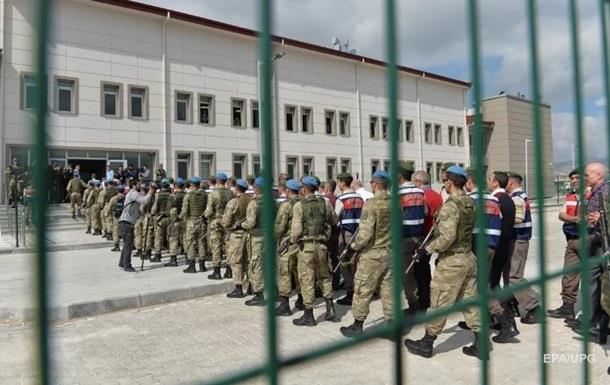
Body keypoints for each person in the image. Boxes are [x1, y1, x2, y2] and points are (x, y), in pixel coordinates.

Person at [405, 166, 487, 359]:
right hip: (468, 257)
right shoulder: (470, 202)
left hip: (452, 262)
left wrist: (427, 249)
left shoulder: (451, 206)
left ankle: (427, 343)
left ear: (449, 182)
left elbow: (447, 237)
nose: (444, 185)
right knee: (471, 301)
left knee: (439, 302)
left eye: (444, 181)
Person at [464, 168, 519, 343]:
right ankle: (483, 319)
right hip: (491, 246)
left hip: (477, 246)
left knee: (481, 287)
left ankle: (506, 323)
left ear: (470, 183)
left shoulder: (471, 200)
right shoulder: (494, 200)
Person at [339, 170, 393, 336]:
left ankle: (357, 324)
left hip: (373, 254)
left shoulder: (371, 204)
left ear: (375, 184)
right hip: (391, 252)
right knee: (389, 289)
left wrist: (353, 248)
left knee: (363, 289)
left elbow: (365, 234)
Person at [290, 176, 338, 326]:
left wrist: (293, 240)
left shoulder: (299, 206)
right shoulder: (325, 203)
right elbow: (334, 221)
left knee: (307, 279)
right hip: (322, 246)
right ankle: (330, 308)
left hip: (307, 247)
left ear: (304, 189)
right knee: (324, 277)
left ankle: (309, 315)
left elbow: (296, 231)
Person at [506, 172, 540, 324]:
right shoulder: (518, 196)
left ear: (511, 182)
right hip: (516, 239)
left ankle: (533, 307)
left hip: (518, 239)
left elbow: (518, 219)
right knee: (509, 275)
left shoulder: (517, 197)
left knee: (515, 276)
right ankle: (512, 304)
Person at [548, 169, 581, 319]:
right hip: (572, 240)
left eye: (576, 178)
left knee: (596, 278)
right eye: (572, 178)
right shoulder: (570, 197)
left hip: (591, 241)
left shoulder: (593, 195)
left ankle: (598, 314)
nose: (573, 181)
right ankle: (567, 308)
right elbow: (561, 214)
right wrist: (574, 219)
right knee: (569, 275)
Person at [398, 163, 427, 315]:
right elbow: (426, 211)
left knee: (406, 274)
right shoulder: (420, 192)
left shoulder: (398, 193)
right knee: (418, 271)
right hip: (419, 237)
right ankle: (421, 302)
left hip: (404, 238)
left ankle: (413, 306)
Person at [412, 170, 441, 312]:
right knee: (425, 267)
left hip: (422, 235)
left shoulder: (420, 196)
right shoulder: (437, 195)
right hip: (434, 234)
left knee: (420, 270)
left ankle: (423, 301)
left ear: (418, 182)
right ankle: (427, 297)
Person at [335, 172, 364, 306]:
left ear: (342, 182)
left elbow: (335, 218)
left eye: (338, 182)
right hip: (358, 233)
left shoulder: (341, 199)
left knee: (345, 264)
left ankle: (350, 293)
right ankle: (358, 290)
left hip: (345, 233)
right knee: (356, 263)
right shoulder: (359, 197)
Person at [274, 179, 303, 314]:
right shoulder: (303, 202)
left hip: (288, 242)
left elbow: (280, 227)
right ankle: (301, 300)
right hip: (301, 242)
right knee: (299, 272)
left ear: (288, 190)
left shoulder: (286, 205)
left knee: (284, 272)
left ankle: (285, 305)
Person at [222, 179, 252, 298]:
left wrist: (227, 227)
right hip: (249, 234)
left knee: (236, 261)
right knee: (248, 260)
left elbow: (226, 221)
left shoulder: (233, 202)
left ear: (237, 188)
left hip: (236, 235)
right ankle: (252, 286)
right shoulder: (251, 200)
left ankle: (238, 288)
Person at [488, 172, 516, 296]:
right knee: (495, 280)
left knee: (491, 281)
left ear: (495, 183)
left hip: (495, 246)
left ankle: (500, 312)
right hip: (505, 245)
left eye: (490, 179)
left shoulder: (496, 200)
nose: (487, 182)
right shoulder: (509, 199)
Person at [241, 177, 266, 306]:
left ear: (256, 189)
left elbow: (251, 223)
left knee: (256, 265)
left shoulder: (254, 203)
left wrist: (241, 225)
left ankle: (259, 295)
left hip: (257, 238)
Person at [204, 172, 234, 279]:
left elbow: (209, 211)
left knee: (216, 246)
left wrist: (205, 217)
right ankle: (229, 270)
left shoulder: (213, 194)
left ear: (217, 181)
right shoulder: (231, 193)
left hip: (216, 222)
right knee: (228, 246)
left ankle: (217, 272)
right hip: (228, 222)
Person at [118, 180, 152, 272]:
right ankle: (127, 265)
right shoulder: (133, 194)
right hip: (126, 222)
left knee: (126, 244)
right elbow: (144, 201)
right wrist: (150, 192)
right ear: (133, 185)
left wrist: (144, 214)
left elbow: (137, 207)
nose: (140, 186)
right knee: (128, 245)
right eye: (138, 184)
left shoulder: (133, 194)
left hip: (126, 222)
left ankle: (122, 262)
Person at [181, 176, 208, 273]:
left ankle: (192, 266)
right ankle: (202, 265)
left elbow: (184, 211)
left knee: (191, 243)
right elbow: (207, 208)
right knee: (201, 243)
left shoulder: (188, 196)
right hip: (201, 222)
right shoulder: (204, 195)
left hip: (191, 222)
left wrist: (182, 218)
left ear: (192, 184)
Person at [150, 178, 174, 262]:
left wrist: (152, 213)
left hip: (160, 218)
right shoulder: (171, 194)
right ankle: (173, 256)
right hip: (169, 218)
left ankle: (158, 255)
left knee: (158, 237)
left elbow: (155, 207)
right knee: (171, 237)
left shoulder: (158, 194)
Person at [165, 177, 187, 267]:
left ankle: (173, 259)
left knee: (173, 239)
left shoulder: (173, 196)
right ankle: (188, 258)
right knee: (185, 239)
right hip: (185, 220)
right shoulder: (186, 195)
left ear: (175, 186)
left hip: (175, 220)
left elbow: (168, 210)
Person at [108, 185, 126, 252]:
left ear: (117, 190)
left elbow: (109, 208)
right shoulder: (126, 198)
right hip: (125, 216)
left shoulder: (114, 198)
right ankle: (126, 245)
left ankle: (116, 246)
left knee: (116, 231)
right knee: (125, 231)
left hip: (116, 216)